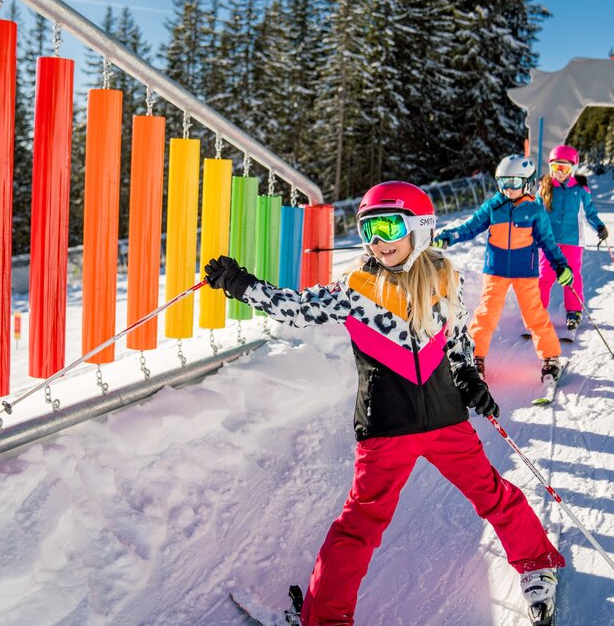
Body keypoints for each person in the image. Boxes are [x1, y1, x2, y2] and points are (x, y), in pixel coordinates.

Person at [203, 181, 566, 626]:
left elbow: (454, 341)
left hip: (445, 421)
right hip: (385, 427)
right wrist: (242, 285)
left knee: (493, 494)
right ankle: (325, 617)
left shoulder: (445, 280)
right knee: (358, 526)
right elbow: (294, 308)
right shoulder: (355, 290)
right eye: (368, 229)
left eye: (389, 226)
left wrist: (468, 376)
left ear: (419, 227)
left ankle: (536, 563)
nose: (378, 240)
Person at [434, 155, 572, 382]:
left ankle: (550, 357)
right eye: (503, 182)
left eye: (514, 183)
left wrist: (560, 265)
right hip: (495, 271)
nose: (507, 188)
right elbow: (470, 227)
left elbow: (547, 242)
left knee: (534, 315)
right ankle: (475, 356)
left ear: (527, 183)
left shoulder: (535, 211)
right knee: (486, 313)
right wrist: (448, 237)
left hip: (525, 273)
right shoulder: (493, 206)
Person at [537, 145, 608, 332]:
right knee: (545, 277)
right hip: (548, 242)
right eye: (555, 168)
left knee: (572, 277)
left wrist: (599, 226)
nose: (559, 172)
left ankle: (574, 312)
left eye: (564, 168)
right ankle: (537, 312)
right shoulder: (544, 189)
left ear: (573, 169)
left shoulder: (580, 190)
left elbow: (590, 212)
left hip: (573, 241)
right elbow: (534, 213)